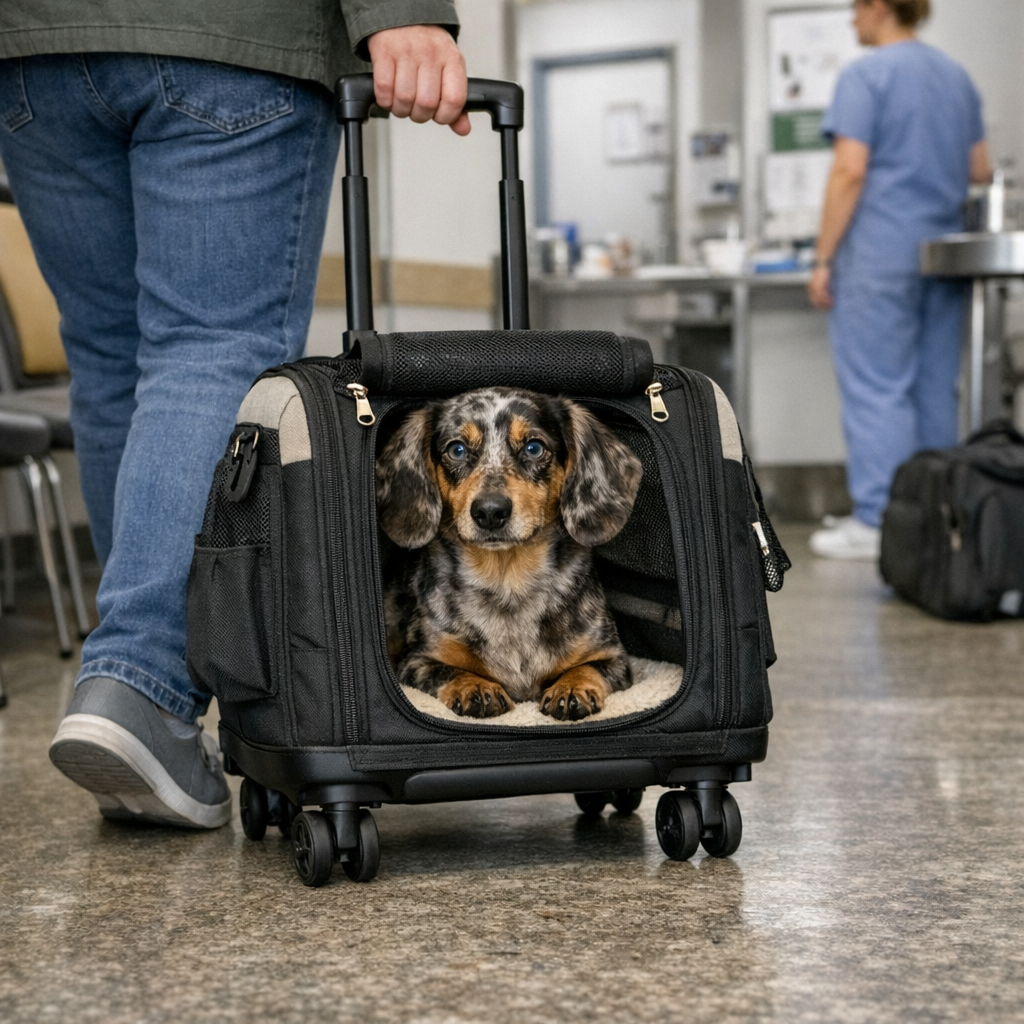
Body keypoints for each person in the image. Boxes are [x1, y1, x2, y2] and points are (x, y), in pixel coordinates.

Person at [0, 3, 469, 829]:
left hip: (33, 51)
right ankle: (141, 681)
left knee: (112, 364)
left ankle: (131, 697)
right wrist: (400, 11)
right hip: (227, 38)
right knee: (209, 346)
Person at [806, 0, 991, 560]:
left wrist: (822, 258)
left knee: (877, 387)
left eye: (855, 8)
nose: (850, 20)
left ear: (879, 7)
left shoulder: (866, 73)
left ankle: (879, 520)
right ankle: (935, 512)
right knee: (935, 388)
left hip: (881, 255)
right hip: (944, 255)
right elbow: (979, 170)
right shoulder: (956, 75)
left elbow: (850, 169)